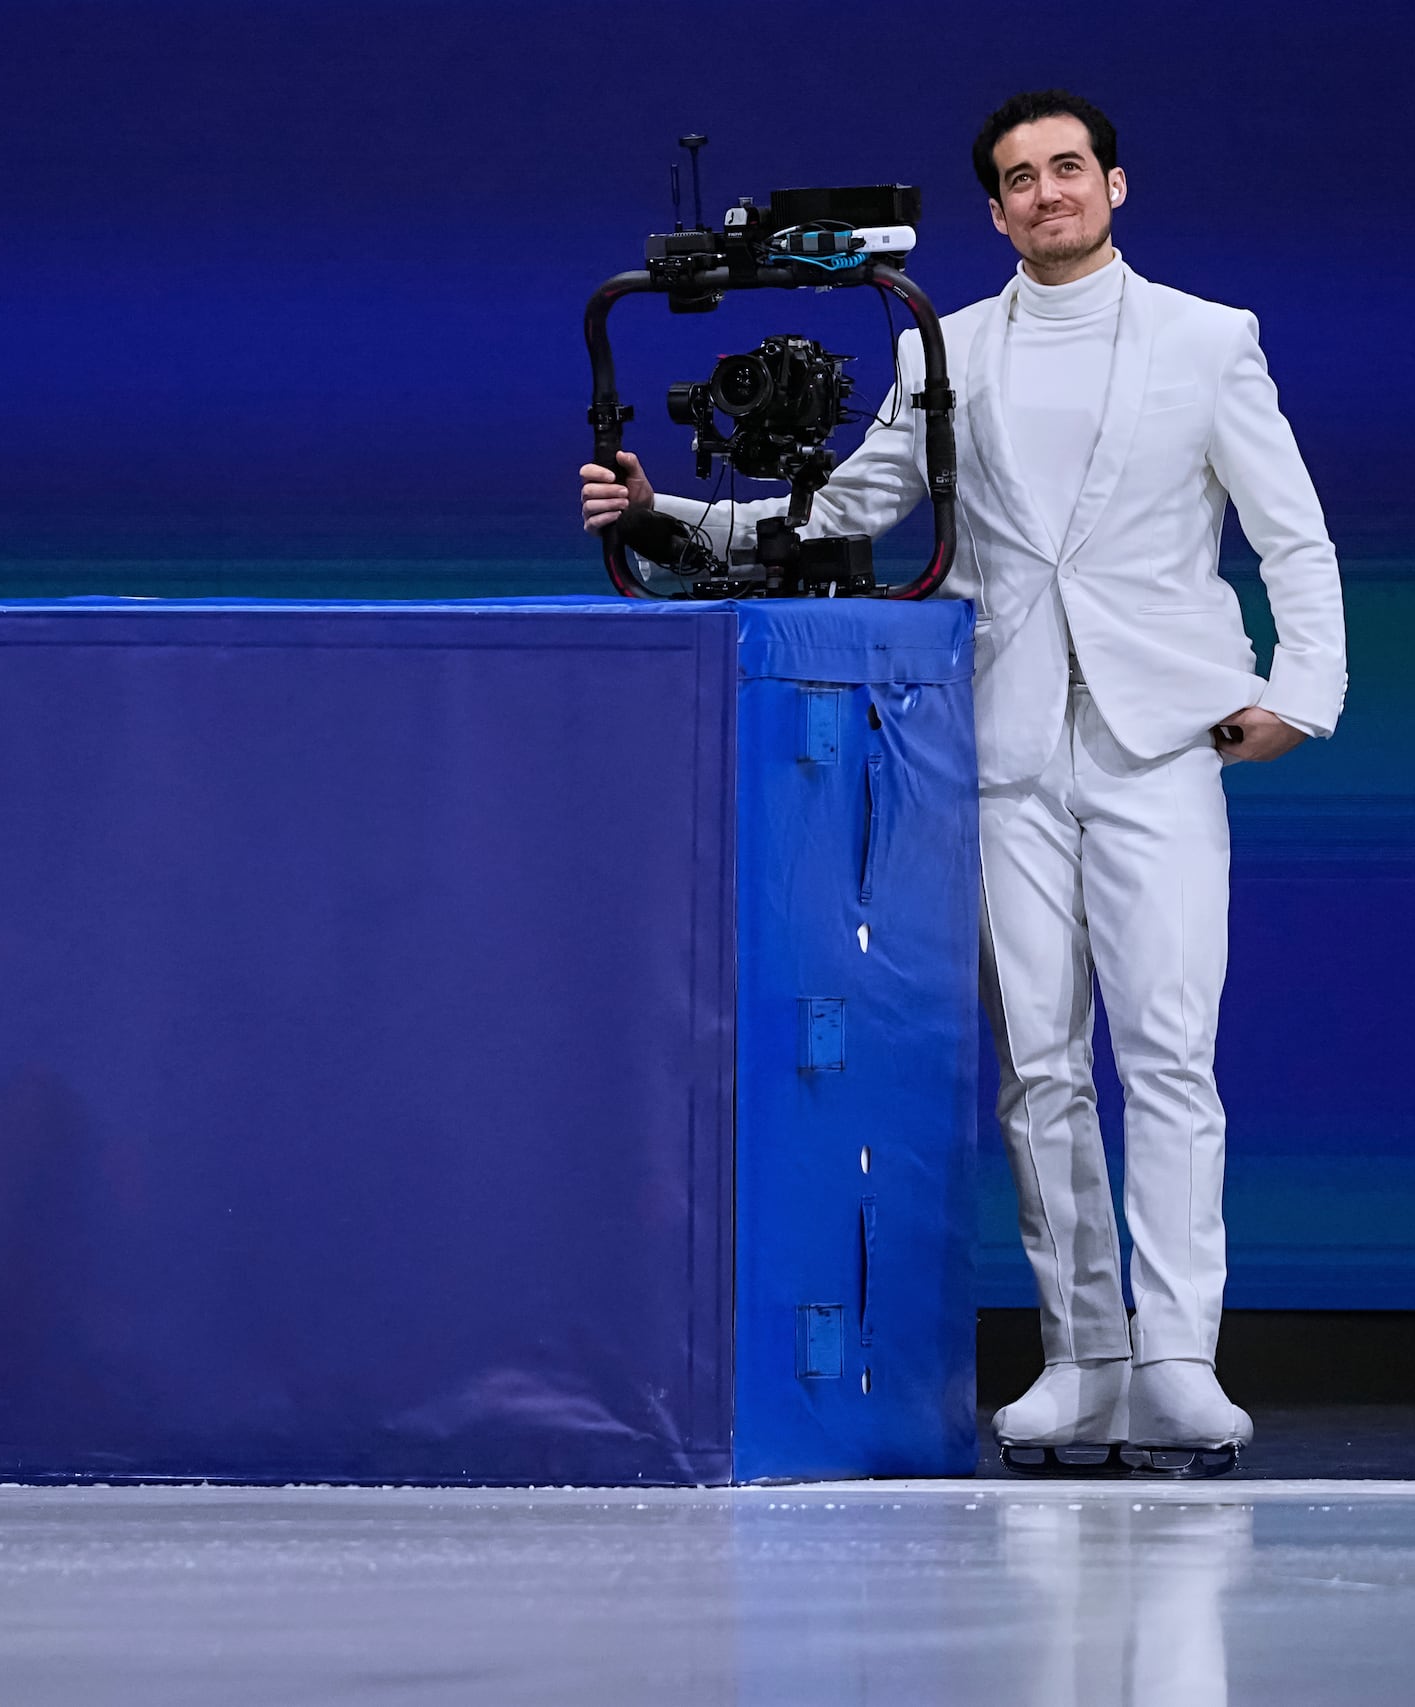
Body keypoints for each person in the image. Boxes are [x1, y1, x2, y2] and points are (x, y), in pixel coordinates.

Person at [580, 89, 1346, 1475]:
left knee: (1168, 1056)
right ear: (994, 211)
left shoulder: (1206, 339)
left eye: (1068, 169)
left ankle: (1179, 1361)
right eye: (1019, 179)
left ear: (1115, 183)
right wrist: (668, 513)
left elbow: (1293, 536)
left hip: (1158, 739)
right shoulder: (951, 347)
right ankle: (1084, 1358)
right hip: (999, 747)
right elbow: (858, 504)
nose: (1047, 193)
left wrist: (1303, 693)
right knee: (1039, 1066)